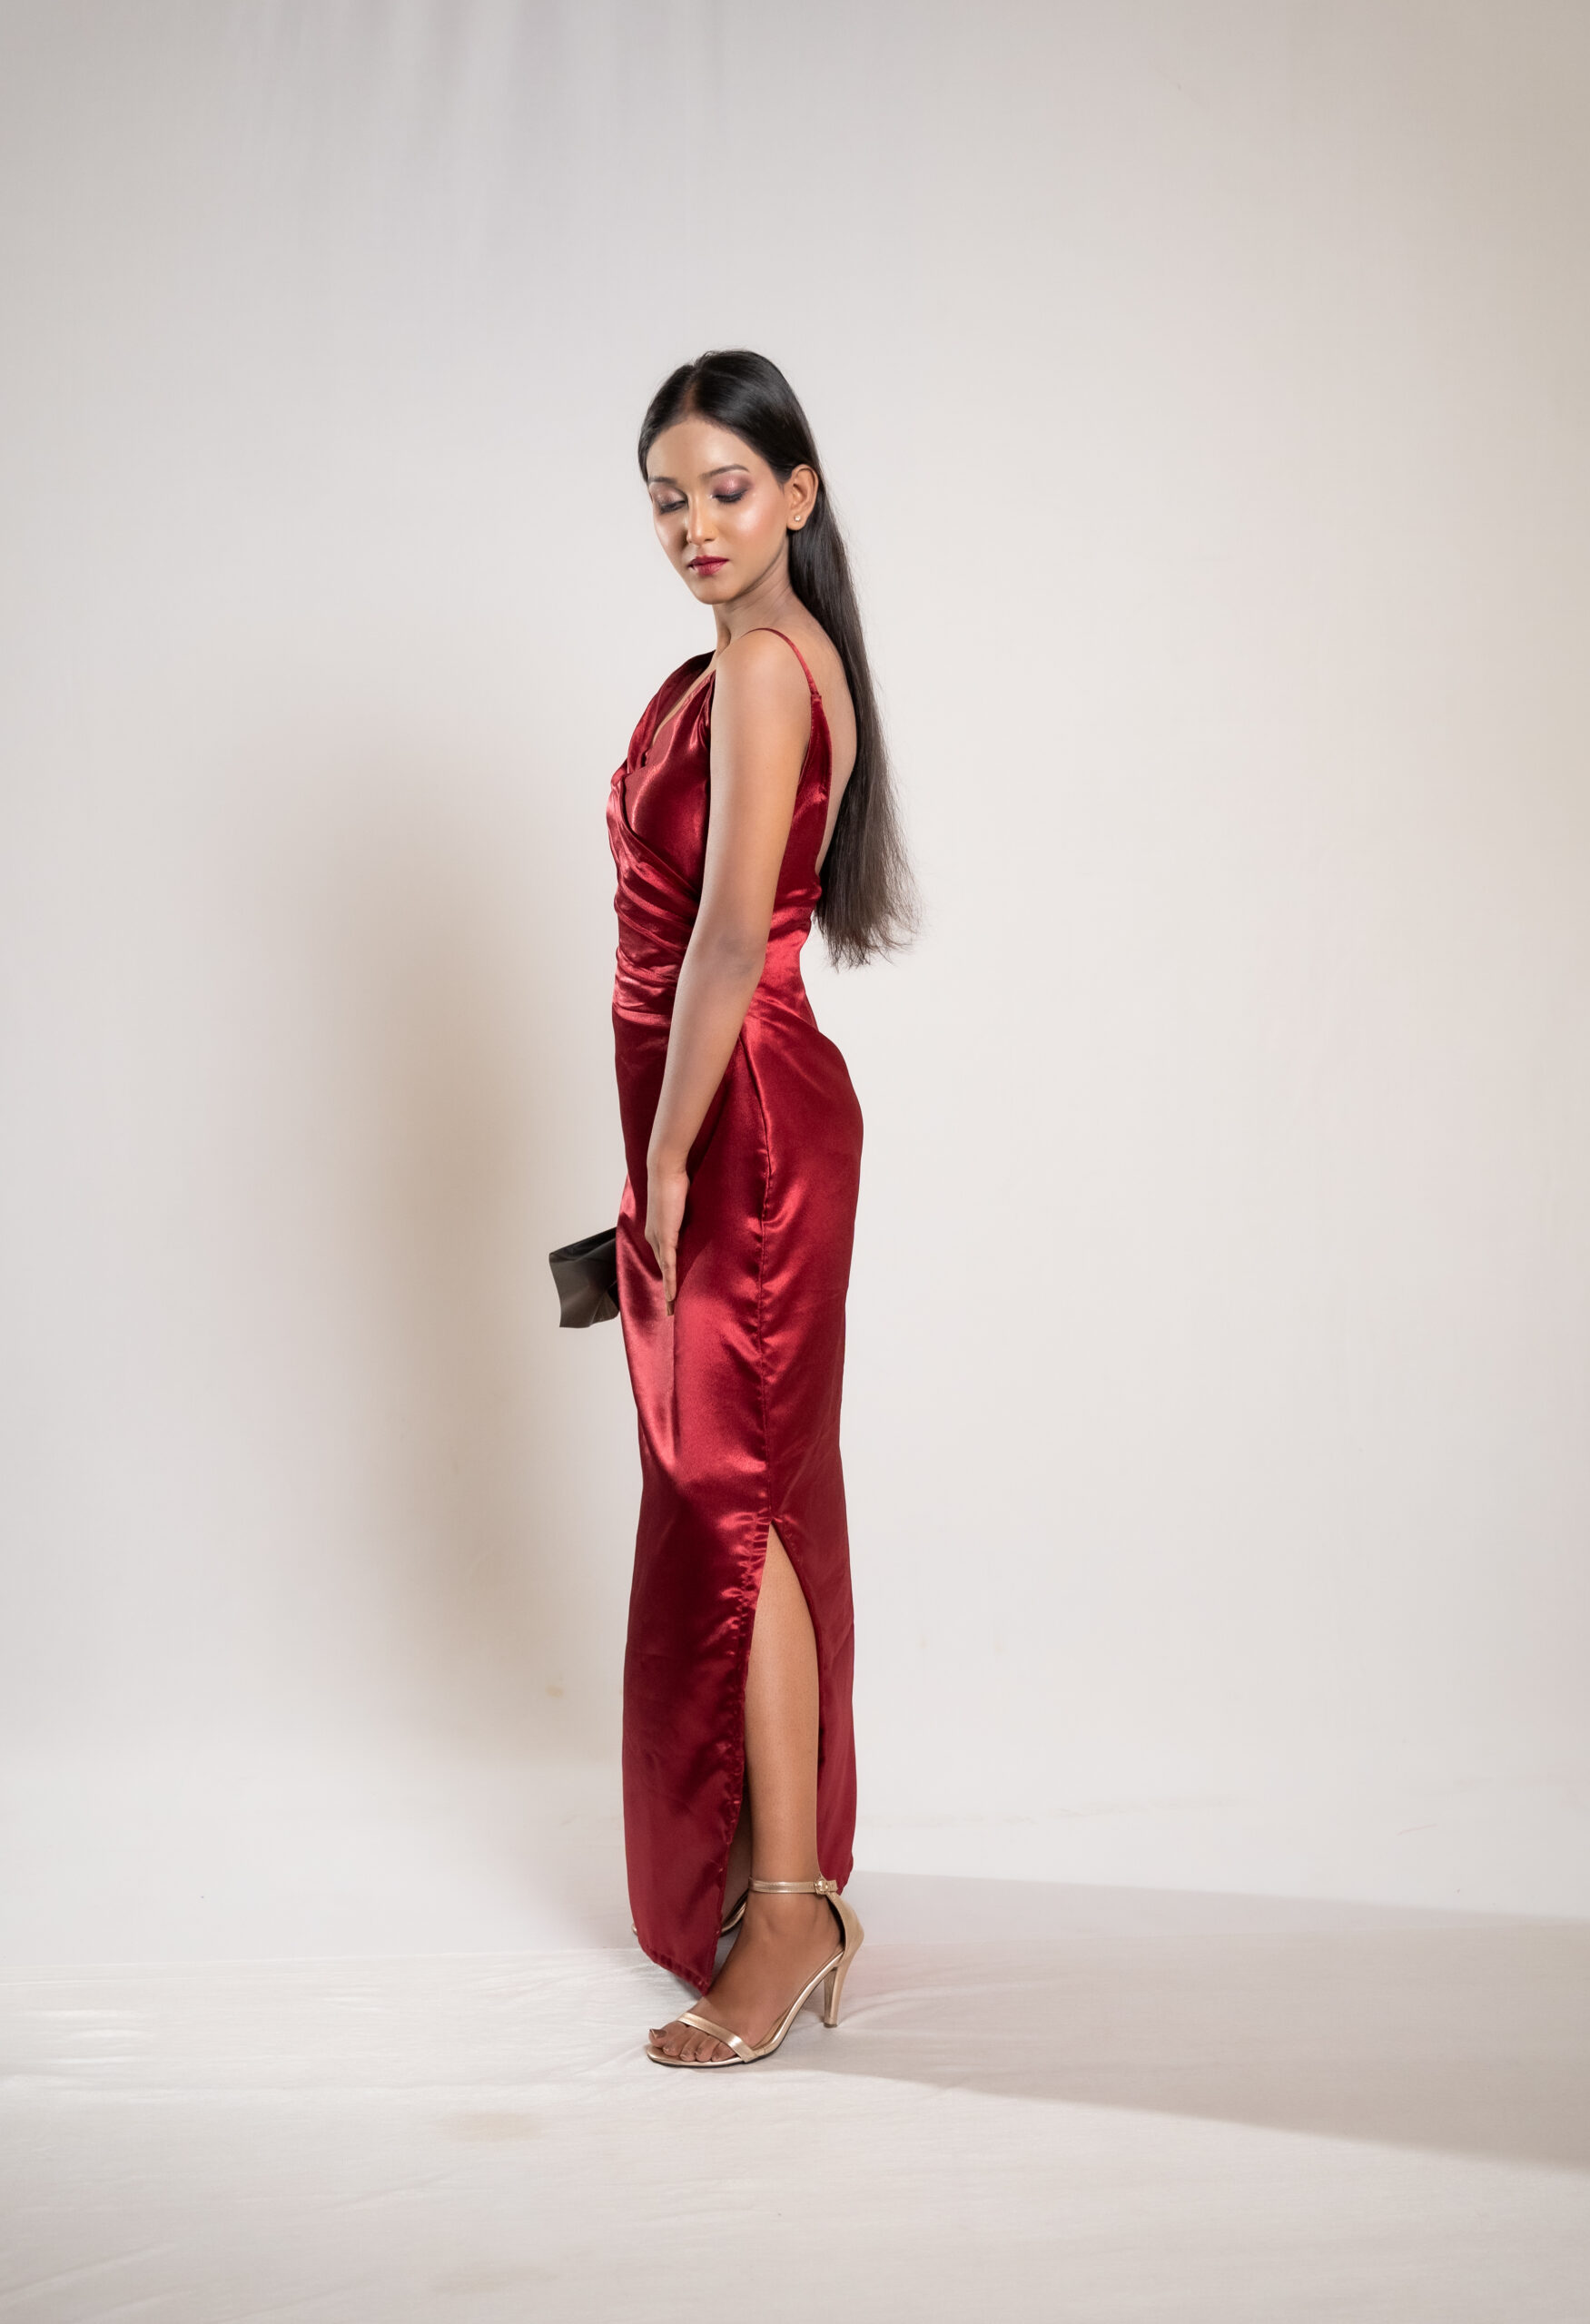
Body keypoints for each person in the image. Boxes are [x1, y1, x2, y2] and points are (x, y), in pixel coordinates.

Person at [607, 350, 913, 2066]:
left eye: (727, 489)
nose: (695, 526)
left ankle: (791, 1907)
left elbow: (730, 940)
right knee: (749, 1492)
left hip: (744, 1124)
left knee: (744, 1503)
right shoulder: (755, 659)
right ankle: (775, 1878)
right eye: (667, 500)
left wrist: (664, 1152)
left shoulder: (764, 670)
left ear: (797, 493)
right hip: (736, 1103)